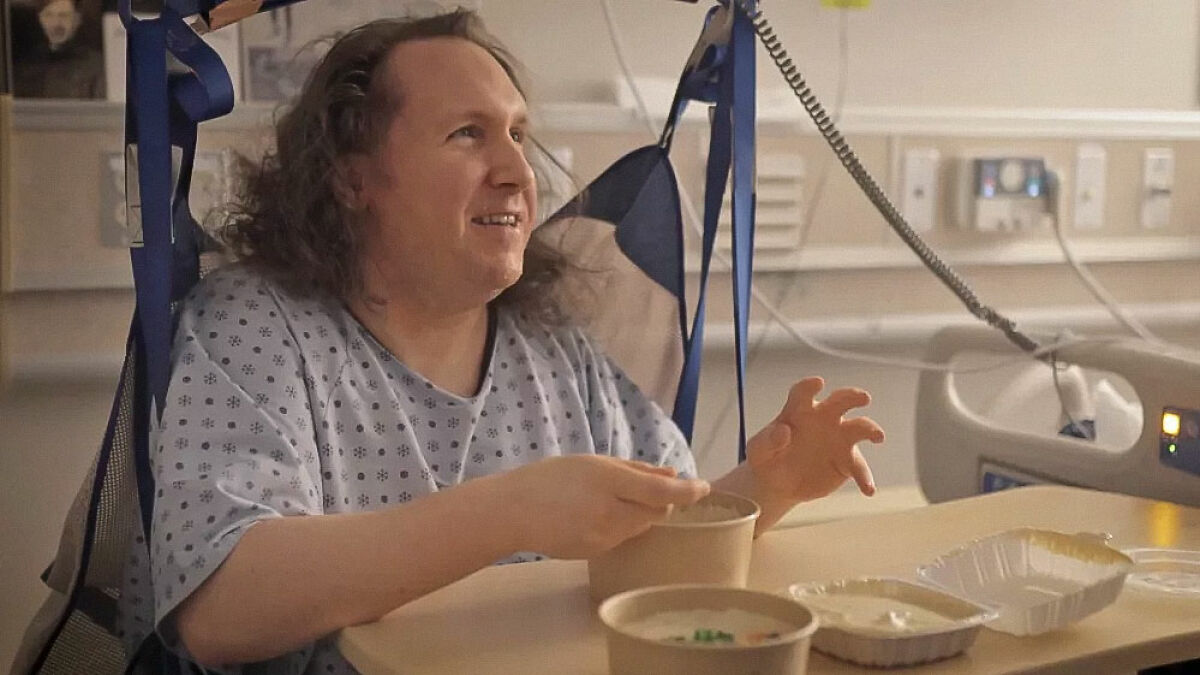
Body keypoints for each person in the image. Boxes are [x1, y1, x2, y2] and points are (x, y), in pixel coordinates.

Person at [116, 9, 885, 674]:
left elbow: (656, 541)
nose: (518, 171)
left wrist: (766, 486)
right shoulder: (257, 325)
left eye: (519, 134)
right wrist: (510, 512)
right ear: (353, 179)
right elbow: (217, 607)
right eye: (466, 134)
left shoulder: (553, 352)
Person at [12, 0, 106, 98]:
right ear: (39, 19)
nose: (56, 24)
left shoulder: (96, 66)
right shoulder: (26, 67)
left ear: (77, 20)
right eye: (48, 15)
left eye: (64, 16)